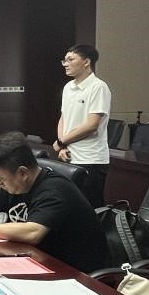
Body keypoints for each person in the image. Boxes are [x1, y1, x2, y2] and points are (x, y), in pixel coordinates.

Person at [0, 132, 108, 273]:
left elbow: (33, 232)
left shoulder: (54, 190)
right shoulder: (15, 184)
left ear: (22, 173)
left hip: (74, 271)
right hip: (34, 260)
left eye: (0, 178)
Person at [53, 44, 111, 207]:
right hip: (69, 156)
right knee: (69, 205)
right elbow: (63, 118)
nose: (65, 64)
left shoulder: (98, 87)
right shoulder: (68, 87)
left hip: (91, 159)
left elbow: (92, 125)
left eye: (70, 59)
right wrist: (62, 146)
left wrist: (61, 142)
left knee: (90, 206)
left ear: (86, 62)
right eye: (64, 60)